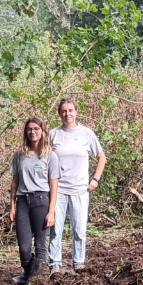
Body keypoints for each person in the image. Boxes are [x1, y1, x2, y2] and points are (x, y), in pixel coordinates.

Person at [48, 99, 107, 273]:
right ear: (59, 113)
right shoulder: (53, 134)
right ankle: (55, 264)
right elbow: (45, 159)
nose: (67, 114)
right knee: (55, 230)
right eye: (64, 111)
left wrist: (95, 179)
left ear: (76, 111)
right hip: (58, 190)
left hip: (80, 189)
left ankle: (79, 262)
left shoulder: (86, 134)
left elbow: (101, 157)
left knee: (79, 230)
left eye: (71, 110)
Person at [9, 117, 60, 285]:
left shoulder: (50, 156)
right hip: (23, 200)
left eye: (36, 129)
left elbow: (54, 185)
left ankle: (35, 280)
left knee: (40, 243)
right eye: (30, 129)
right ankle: (28, 273)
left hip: (41, 200)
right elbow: (15, 182)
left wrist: (51, 211)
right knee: (24, 246)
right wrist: (12, 205)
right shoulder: (20, 154)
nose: (33, 132)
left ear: (43, 131)